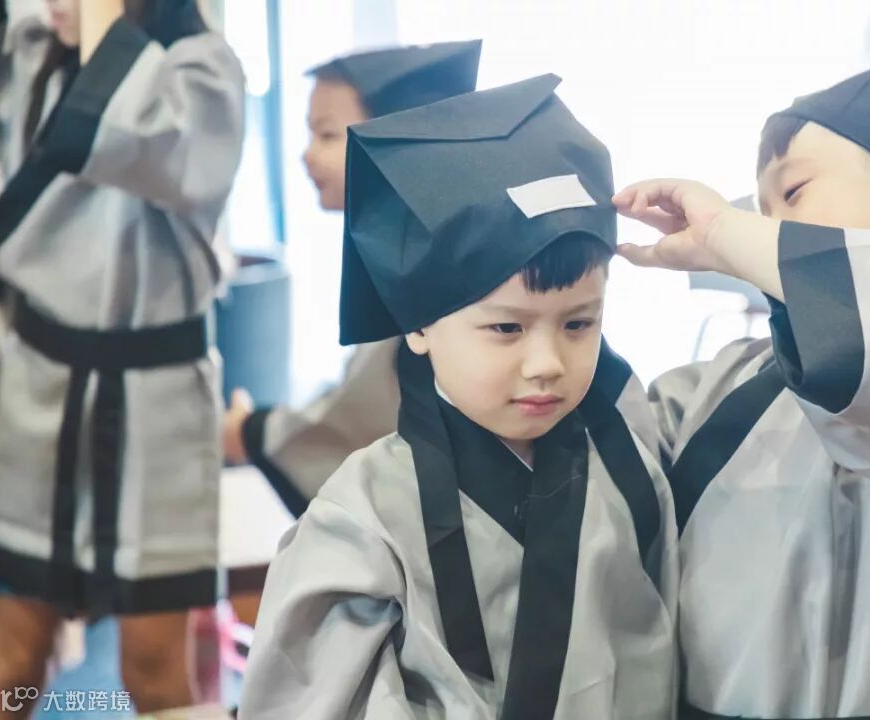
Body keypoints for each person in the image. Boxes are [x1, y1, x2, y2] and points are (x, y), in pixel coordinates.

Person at [613, 29, 870, 720]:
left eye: (793, 191)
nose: (769, 230)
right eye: (763, 213)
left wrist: (723, 233)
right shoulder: (728, 376)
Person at [238, 74, 678, 719]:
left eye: (579, 323)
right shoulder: (363, 517)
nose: (547, 364)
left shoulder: (631, 464)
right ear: (417, 325)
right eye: (507, 328)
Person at [0, 0, 244, 714]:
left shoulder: (204, 72)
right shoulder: (29, 54)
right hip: (38, 383)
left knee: (154, 669)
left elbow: (129, 135)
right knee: (16, 654)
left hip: (155, 402)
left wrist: (104, 33)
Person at [223, 40, 482, 519]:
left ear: (394, 143)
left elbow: (361, 419)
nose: (306, 156)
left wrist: (251, 432)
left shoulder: (430, 262)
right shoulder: (411, 243)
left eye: (326, 135)